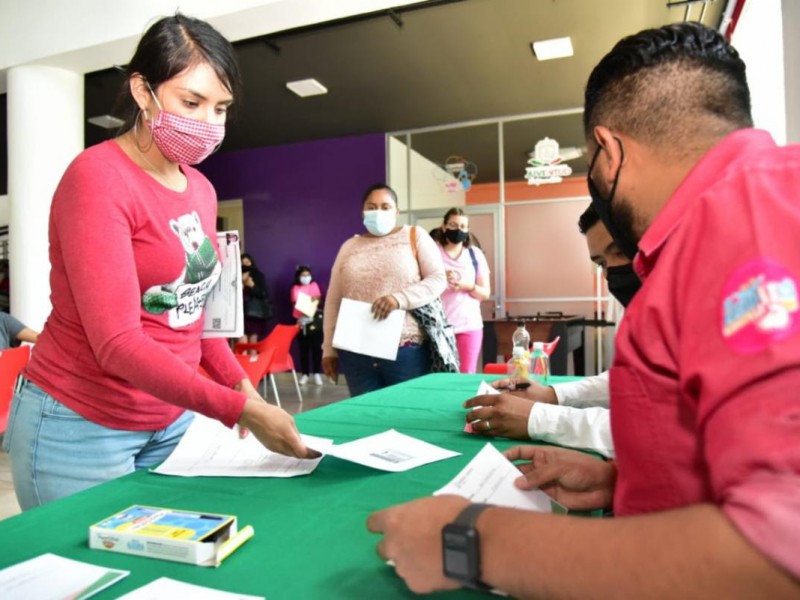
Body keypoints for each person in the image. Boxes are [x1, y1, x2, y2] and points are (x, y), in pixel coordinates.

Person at [367, 22, 800, 598]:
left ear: (609, 151)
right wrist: (627, 481)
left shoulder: (746, 220)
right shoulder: (732, 218)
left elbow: (776, 557)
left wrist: (474, 541)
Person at [3, 14, 316, 512]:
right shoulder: (97, 179)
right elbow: (118, 344)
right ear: (143, 92)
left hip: (171, 420)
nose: (209, 124)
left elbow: (195, 322)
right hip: (80, 425)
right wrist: (237, 410)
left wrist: (245, 391)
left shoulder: (202, 189)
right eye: (191, 102)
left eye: (220, 108)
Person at [463, 204, 640, 458]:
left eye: (621, 252)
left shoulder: (704, 304)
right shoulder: (639, 305)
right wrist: (552, 395)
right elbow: (632, 381)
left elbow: (659, 428)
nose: (613, 271)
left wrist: (539, 419)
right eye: (601, 263)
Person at [322, 184, 446, 397]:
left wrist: (399, 299)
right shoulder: (349, 247)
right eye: (372, 207)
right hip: (355, 351)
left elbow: (438, 279)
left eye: (385, 206)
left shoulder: (414, 236)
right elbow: (334, 299)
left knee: (407, 415)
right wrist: (328, 349)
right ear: (363, 211)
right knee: (366, 418)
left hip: (406, 350)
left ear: (397, 211)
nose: (378, 212)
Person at [429, 208, 491, 374]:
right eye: (453, 225)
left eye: (463, 226)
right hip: (438, 326)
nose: (458, 230)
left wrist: (468, 286)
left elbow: (485, 293)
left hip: (469, 326)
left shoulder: (474, 254)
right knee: (439, 376)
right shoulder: (432, 252)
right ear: (444, 226)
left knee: (466, 375)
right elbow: (421, 284)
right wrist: (442, 276)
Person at [290, 264, 324, 386]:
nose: (306, 277)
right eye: (303, 275)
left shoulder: (314, 285)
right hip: (301, 321)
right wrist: (307, 303)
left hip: (314, 320)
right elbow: (296, 302)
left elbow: (317, 298)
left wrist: (311, 302)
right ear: (298, 277)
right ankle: (305, 374)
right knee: (303, 349)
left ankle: (316, 373)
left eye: (308, 275)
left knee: (317, 349)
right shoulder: (295, 288)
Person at [239, 252, 273, 346]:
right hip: (240, 312)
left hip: (254, 312)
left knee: (253, 340)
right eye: (242, 262)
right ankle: (243, 360)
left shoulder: (258, 275)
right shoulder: (235, 275)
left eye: (247, 262)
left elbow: (263, 293)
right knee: (242, 339)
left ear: (251, 262)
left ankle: (253, 360)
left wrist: (252, 286)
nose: (245, 264)